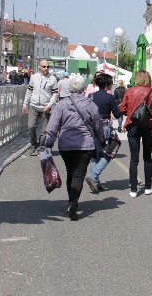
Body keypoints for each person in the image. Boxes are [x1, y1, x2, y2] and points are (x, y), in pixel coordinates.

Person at [42, 74, 105, 221]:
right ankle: (73, 203)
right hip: (85, 146)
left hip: (66, 145)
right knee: (79, 174)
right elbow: (98, 124)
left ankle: (71, 201)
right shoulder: (90, 104)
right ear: (83, 88)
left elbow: (53, 126)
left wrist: (48, 144)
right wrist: (101, 140)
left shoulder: (62, 105)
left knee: (71, 172)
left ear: (70, 88)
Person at [119, 70, 152, 197]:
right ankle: (148, 187)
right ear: (148, 79)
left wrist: (133, 115)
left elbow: (122, 108)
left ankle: (133, 189)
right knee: (147, 157)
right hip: (148, 126)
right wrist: (150, 117)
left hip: (132, 125)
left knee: (134, 158)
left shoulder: (129, 91)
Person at [86, 73, 121, 193]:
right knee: (111, 150)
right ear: (106, 84)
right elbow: (117, 114)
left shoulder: (90, 96)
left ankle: (95, 182)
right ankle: (94, 175)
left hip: (91, 127)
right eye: (111, 82)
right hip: (104, 127)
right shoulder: (109, 97)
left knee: (95, 153)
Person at [22, 58, 59, 155]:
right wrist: (25, 104)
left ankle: (42, 146)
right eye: (44, 66)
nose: (46, 68)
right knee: (31, 126)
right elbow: (29, 91)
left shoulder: (52, 79)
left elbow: (55, 94)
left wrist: (50, 105)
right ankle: (33, 144)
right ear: (39, 67)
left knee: (44, 131)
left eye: (48, 66)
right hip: (33, 106)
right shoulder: (34, 77)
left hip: (45, 107)